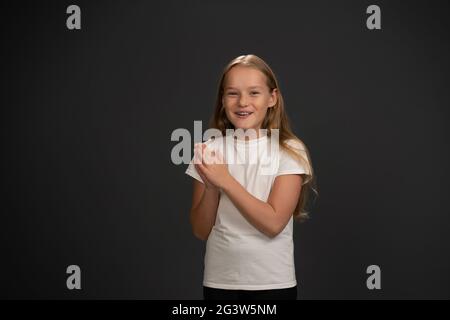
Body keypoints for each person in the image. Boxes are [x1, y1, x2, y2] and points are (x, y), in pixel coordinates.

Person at [185, 54, 317, 300]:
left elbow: (273, 224)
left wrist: (225, 180)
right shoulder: (211, 150)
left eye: (254, 93)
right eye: (233, 93)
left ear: (272, 98)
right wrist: (212, 186)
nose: (242, 102)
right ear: (223, 100)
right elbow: (201, 230)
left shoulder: (289, 150)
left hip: (272, 284)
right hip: (219, 282)